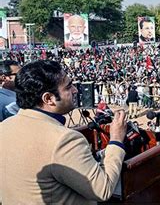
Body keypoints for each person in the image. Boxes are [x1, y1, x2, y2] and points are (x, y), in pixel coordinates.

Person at [0, 60, 127, 204]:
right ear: (48, 99)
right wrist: (116, 140)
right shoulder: (64, 140)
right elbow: (103, 190)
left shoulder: (4, 127)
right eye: (68, 87)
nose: (75, 90)